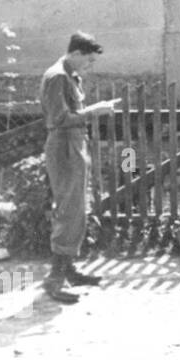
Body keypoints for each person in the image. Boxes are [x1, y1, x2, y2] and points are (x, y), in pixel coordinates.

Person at [39, 31, 120, 305]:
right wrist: (94, 111)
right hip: (63, 147)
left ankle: (68, 271)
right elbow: (59, 119)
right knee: (68, 210)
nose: (90, 66)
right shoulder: (57, 77)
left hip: (73, 144)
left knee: (77, 210)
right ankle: (54, 280)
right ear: (75, 53)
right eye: (88, 60)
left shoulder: (70, 76)